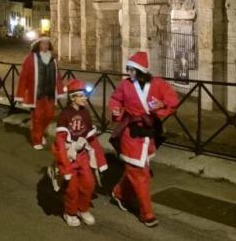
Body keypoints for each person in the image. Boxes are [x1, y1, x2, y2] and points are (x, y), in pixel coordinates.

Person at [109, 51, 178, 228]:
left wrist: (162, 107)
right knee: (140, 173)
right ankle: (146, 213)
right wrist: (116, 111)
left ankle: (119, 193)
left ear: (141, 71)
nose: (129, 73)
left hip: (149, 133)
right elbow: (115, 100)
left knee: (138, 169)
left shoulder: (159, 84)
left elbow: (172, 101)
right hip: (131, 133)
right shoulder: (125, 85)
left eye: (132, 70)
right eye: (128, 70)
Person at [52, 79, 108, 227]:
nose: (85, 98)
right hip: (70, 157)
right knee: (72, 188)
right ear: (73, 97)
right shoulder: (64, 115)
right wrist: (65, 166)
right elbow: (59, 142)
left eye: (85, 95)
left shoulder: (85, 113)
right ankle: (70, 212)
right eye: (82, 96)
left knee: (89, 184)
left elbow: (92, 138)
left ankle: (83, 209)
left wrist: (100, 160)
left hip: (83, 156)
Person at [15, 36, 64, 149]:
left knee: (49, 116)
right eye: (43, 43)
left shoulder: (53, 59)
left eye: (47, 44)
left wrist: (60, 90)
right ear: (38, 45)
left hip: (50, 94)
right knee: (37, 117)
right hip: (36, 94)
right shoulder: (31, 58)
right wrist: (21, 94)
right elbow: (24, 77)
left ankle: (40, 133)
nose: (45, 46)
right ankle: (37, 140)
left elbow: (57, 76)